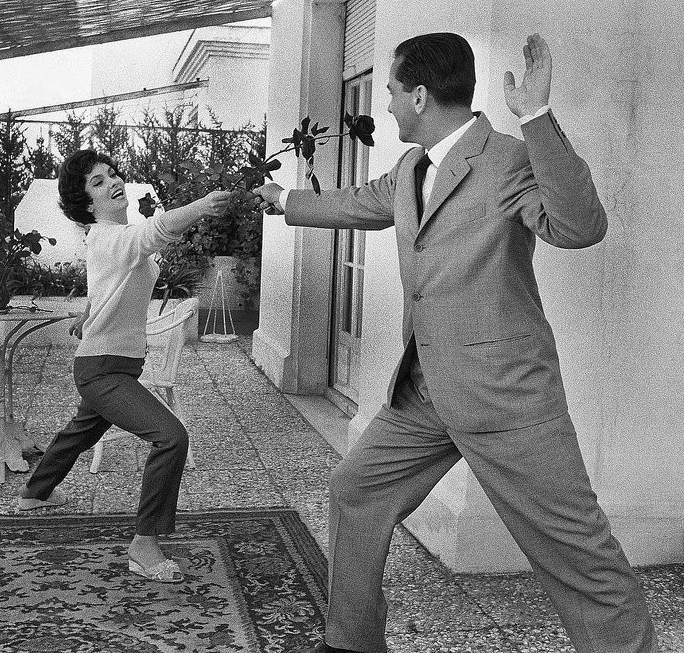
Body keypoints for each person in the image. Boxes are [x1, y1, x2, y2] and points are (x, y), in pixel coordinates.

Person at [254, 33, 657, 653]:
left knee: (578, 556)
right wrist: (284, 200)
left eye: (390, 90)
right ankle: (351, 642)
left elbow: (580, 226)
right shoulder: (411, 167)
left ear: (418, 95)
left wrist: (539, 117)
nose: (384, 103)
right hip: (424, 392)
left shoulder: (510, 158)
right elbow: (363, 202)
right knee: (357, 491)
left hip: (506, 400)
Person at [18, 149, 231, 583]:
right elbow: (156, 232)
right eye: (97, 182)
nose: (112, 182)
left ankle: (34, 492)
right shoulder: (111, 236)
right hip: (102, 370)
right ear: (87, 205)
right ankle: (144, 543)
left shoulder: (111, 239)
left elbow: (107, 283)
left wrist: (88, 313)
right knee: (171, 437)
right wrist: (203, 206)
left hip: (114, 362)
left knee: (82, 430)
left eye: (112, 174)